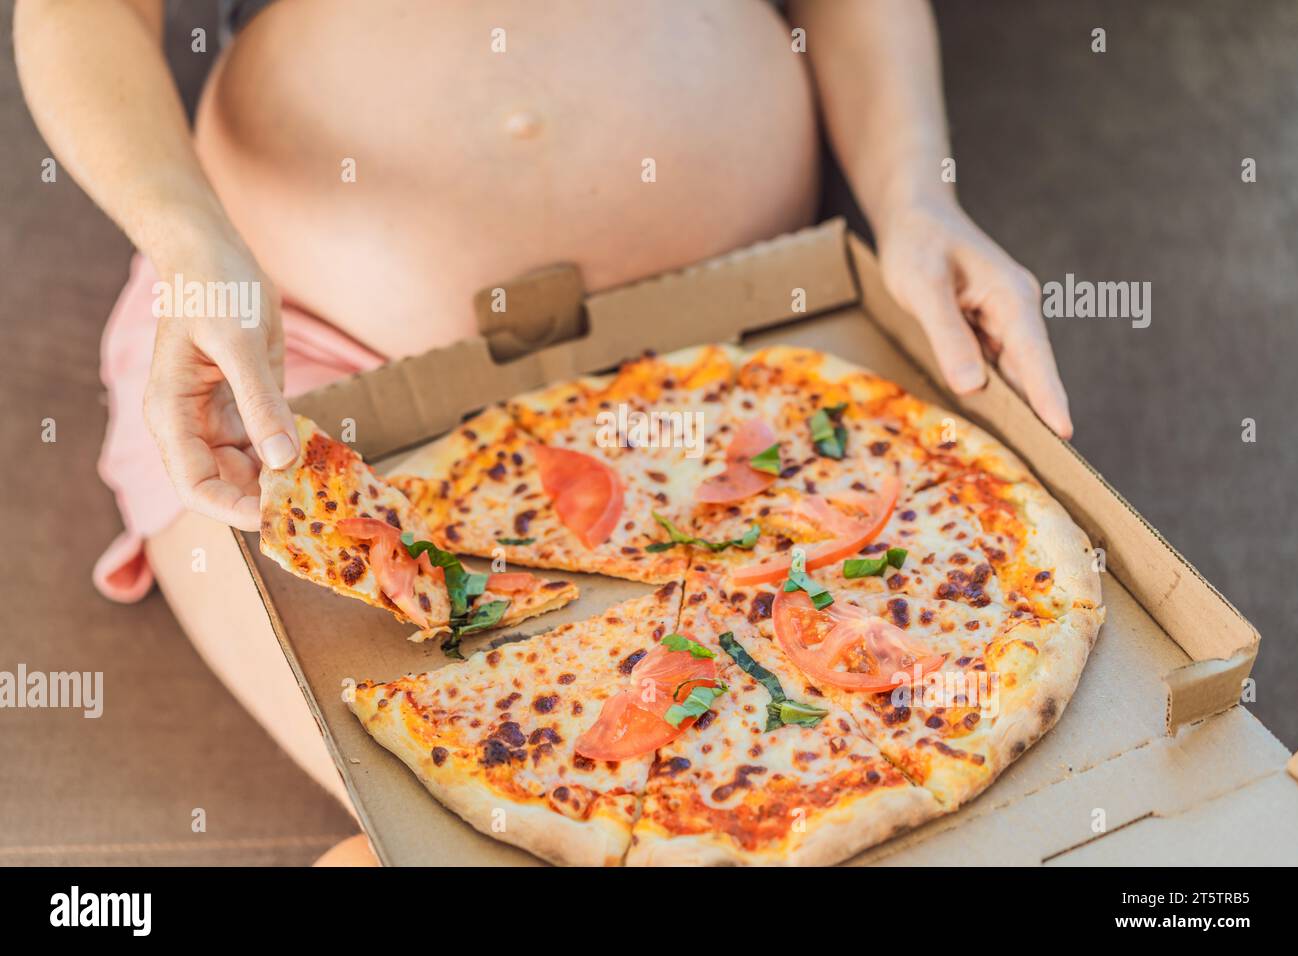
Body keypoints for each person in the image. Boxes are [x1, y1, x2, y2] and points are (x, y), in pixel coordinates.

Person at [14, 0, 1072, 865]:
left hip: (745, 327)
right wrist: (184, 237)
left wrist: (914, 199)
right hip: (299, 355)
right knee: (434, 810)